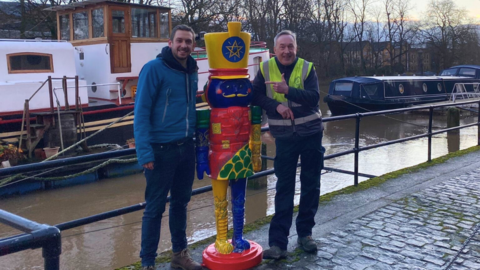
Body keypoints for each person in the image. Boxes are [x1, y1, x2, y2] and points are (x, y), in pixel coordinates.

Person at [134, 24, 202, 270]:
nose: (184, 45)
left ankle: (179, 255)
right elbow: (140, 113)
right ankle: (148, 263)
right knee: (154, 208)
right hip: (161, 150)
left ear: (193, 45)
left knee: (181, 203)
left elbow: (189, 108)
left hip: (186, 147)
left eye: (189, 42)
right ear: (170, 42)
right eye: (180, 41)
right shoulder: (154, 69)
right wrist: (144, 153)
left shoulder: (192, 70)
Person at [252, 30, 325, 260]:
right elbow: (255, 96)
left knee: (310, 185)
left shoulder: (307, 67)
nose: (286, 51)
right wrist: (276, 106)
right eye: (282, 47)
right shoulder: (265, 69)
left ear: (296, 48)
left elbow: (314, 97)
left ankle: (305, 235)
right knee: (284, 188)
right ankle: (278, 243)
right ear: (275, 50)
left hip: (311, 134)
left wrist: (288, 91)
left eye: (290, 46)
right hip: (284, 138)